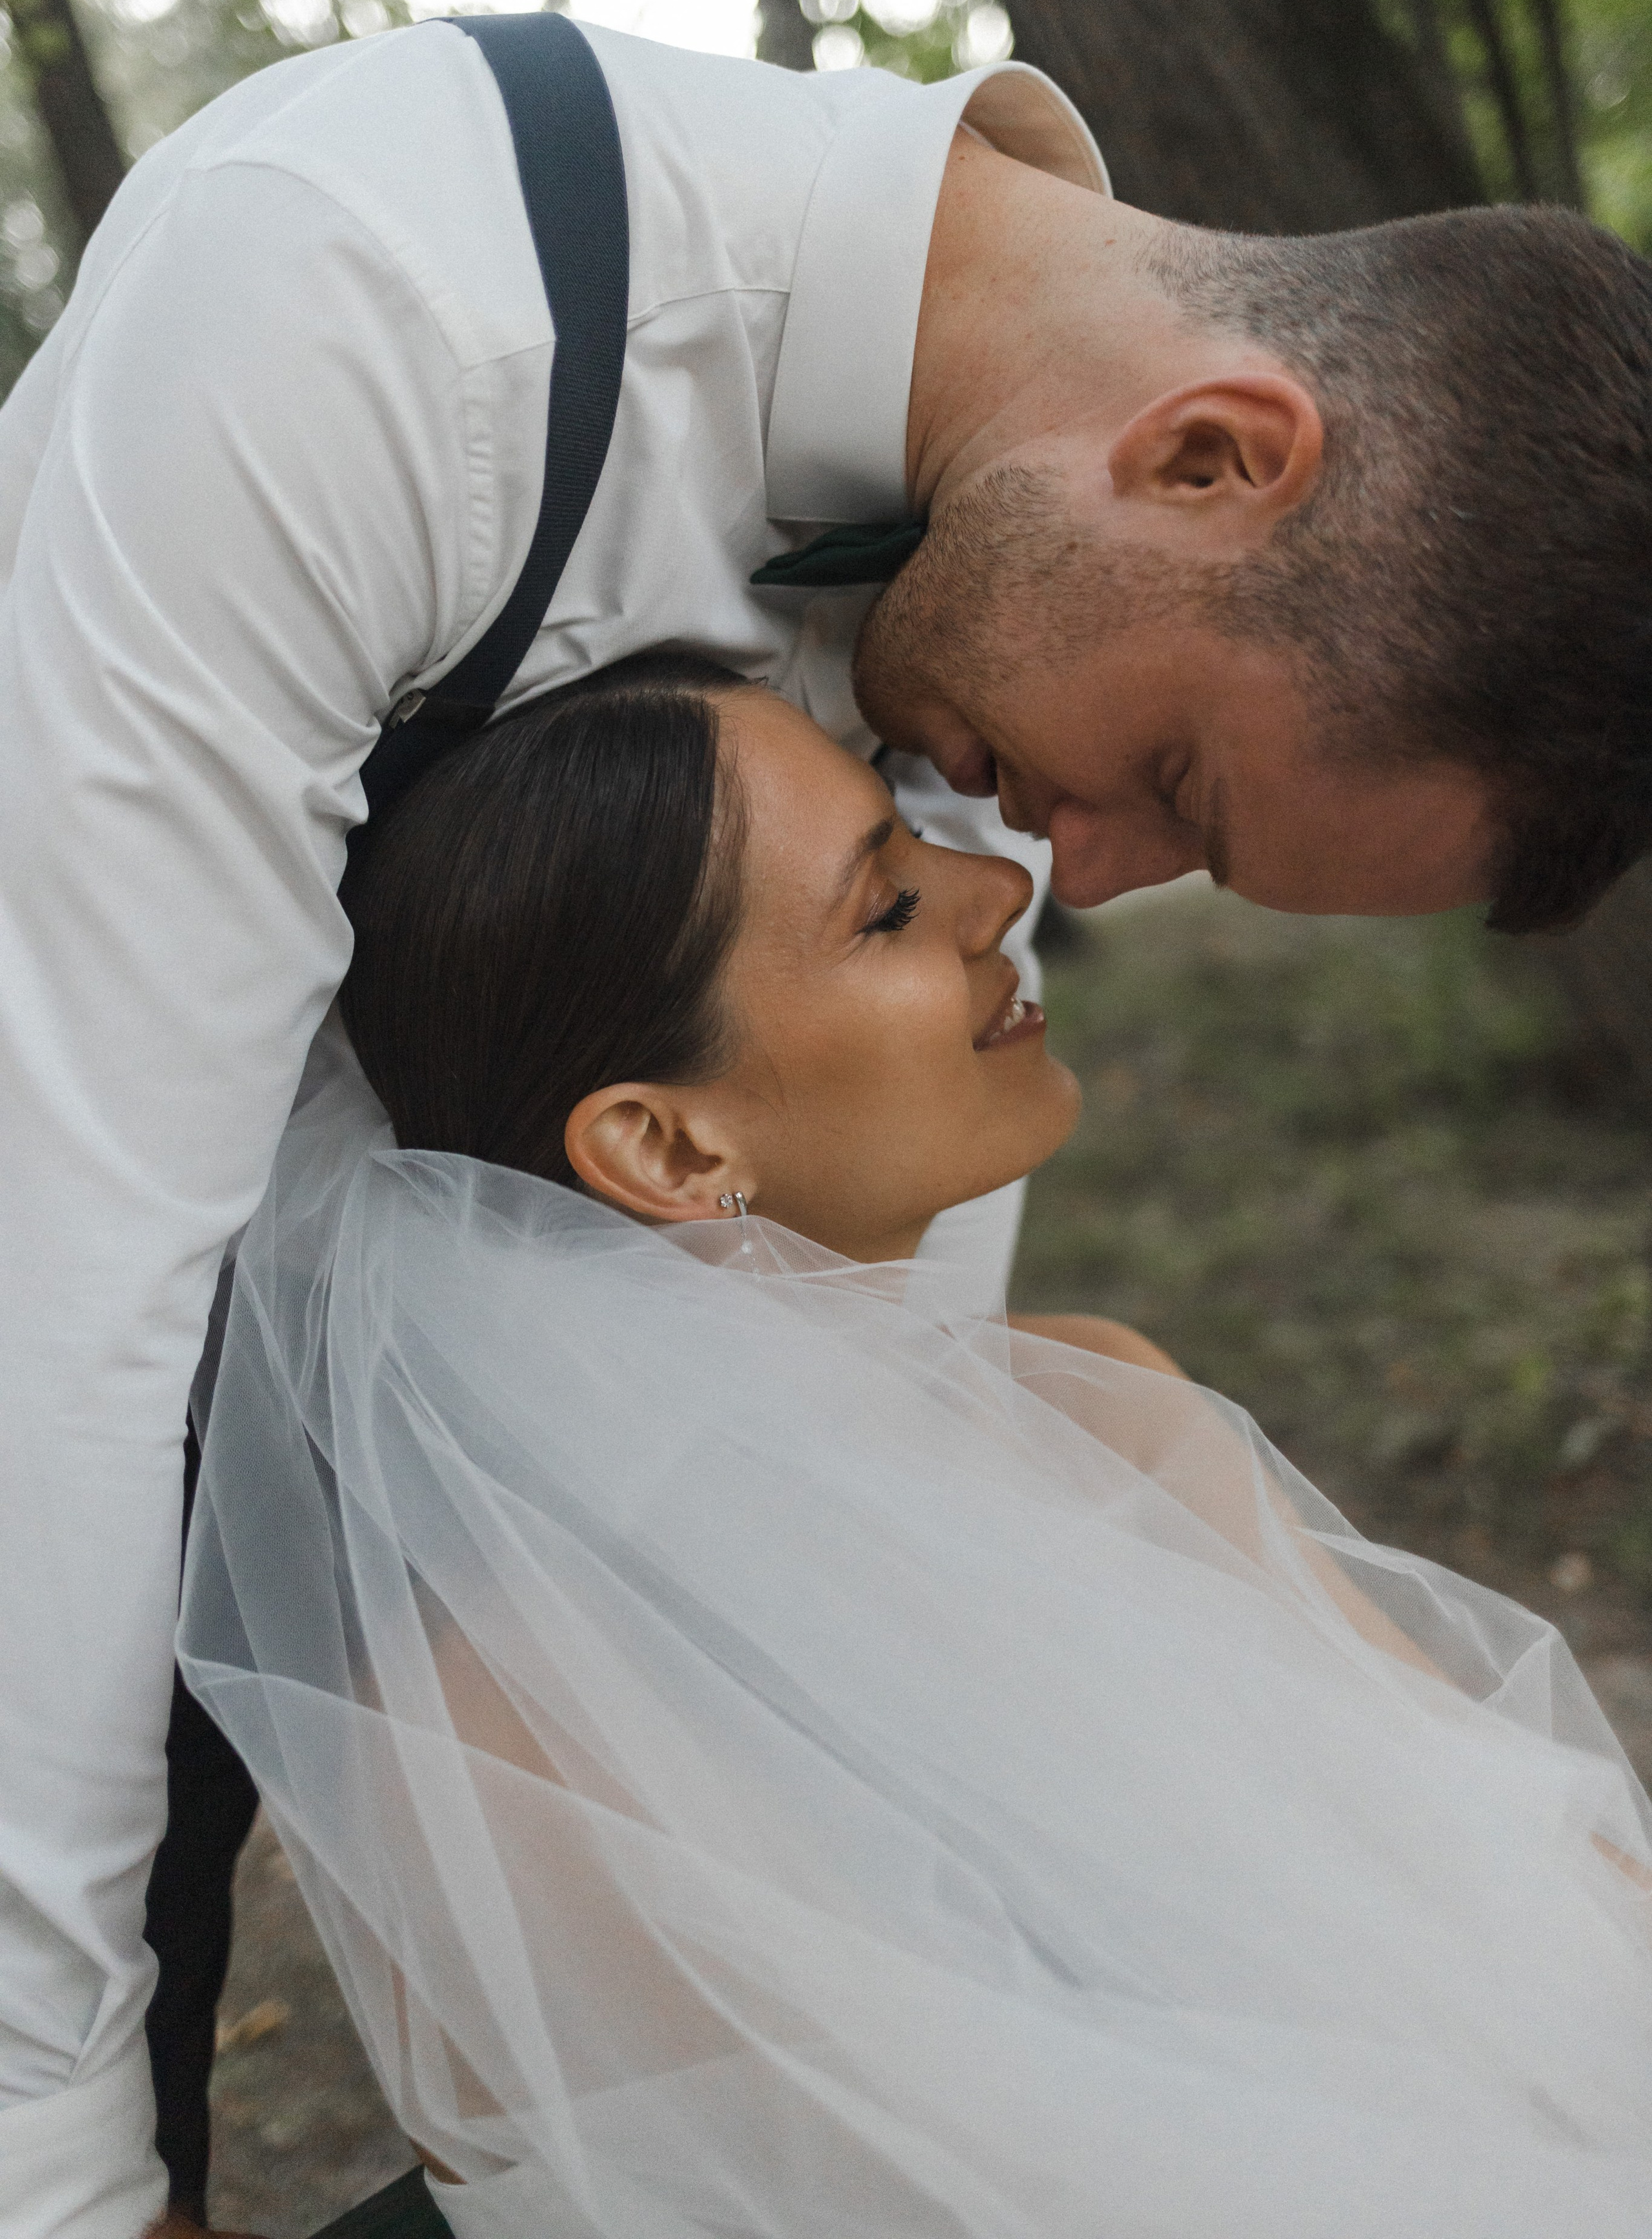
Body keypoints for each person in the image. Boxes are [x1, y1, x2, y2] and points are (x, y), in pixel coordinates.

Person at [2, 9, 1651, 2233]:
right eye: (1173, 782)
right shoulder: (356, 308)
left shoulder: (993, 575)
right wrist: (59, 2169)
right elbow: (74, 1297)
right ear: (1204, 458)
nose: (1064, 875)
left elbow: (849, 1437)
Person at [179, 656, 1652, 2235]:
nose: (998, 887)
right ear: (666, 1144)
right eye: (883, 907)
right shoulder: (505, 1727)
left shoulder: (1107, 1406)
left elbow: (1553, 1881)